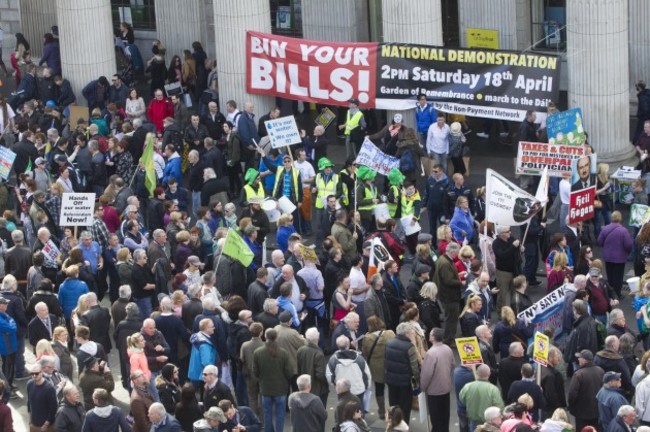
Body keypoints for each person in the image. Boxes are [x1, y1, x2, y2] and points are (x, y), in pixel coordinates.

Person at [252, 328, 294, 432]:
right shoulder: (283, 353)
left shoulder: (258, 352)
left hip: (265, 388)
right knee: (280, 414)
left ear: (265, 336)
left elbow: (255, 372)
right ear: (276, 337)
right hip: (281, 388)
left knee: (267, 413)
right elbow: (289, 372)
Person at [420, 327, 455, 431]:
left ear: (433, 337)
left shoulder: (430, 353)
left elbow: (426, 374)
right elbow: (452, 364)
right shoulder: (448, 349)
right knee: (445, 417)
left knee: (436, 419)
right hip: (446, 387)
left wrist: (422, 387)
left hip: (434, 391)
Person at [598, 211, 633, 297]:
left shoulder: (605, 228)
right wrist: (627, 252)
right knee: (618, 277)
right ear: (620, 219)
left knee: (610, 276)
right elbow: (628, 244)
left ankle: (610, 293)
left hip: (608, 257)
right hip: (620, 258)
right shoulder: (623, 231)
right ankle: (617, 294)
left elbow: (599, 241)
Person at [458, 364, 504, 432]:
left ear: (477, 373)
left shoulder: (467, 387)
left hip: (473, 421)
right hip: (488, 424)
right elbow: (499, 406)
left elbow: (462, 400)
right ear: (489, 374)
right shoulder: (493, 389)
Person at [568, 349, 605, 431]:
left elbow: (572, 394)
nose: (578, 359)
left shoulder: (579, 374)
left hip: (581, 413)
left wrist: (571, 406)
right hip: (596, 411)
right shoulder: (600, 371)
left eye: (580, 357)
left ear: (584, 360)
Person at [434, 241, 462, 345]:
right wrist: (460, 282)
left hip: (445, 294)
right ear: (453, 251)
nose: (458, 254)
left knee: (449, 318)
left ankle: (448, 338)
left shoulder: (442, 259)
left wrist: (458, 274)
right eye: (458, 251)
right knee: (451, 319)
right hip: (449, 296)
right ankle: (449, 339)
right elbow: (448, 280)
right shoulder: (446, 263)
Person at [27, 363, 58, 432]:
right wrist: (29, 419)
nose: (34, 375)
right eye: (32, 373)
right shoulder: (29, 384)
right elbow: (29, 402)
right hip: (34, 424)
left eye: (37, 373)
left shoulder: (49, 388)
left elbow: (53, 408)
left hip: (46, 426)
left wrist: (46, 424)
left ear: (41, 373)